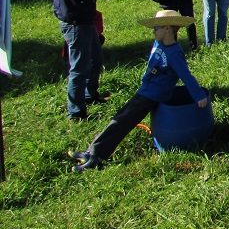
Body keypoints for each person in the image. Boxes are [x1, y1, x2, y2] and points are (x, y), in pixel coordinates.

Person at [67, 10, 208, 171]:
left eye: (156, 28)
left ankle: (96, 156)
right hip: (145, 90)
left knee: (122, 122)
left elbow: (186, 76)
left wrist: (199, 96)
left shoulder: (175, 53)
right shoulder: (159, 44)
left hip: (154, 95)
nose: (153, 31)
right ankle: (91, 152)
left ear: (167, 28)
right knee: (120, 117)